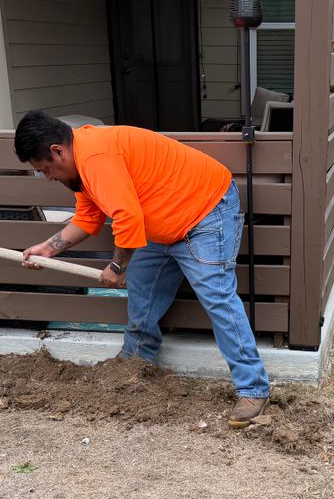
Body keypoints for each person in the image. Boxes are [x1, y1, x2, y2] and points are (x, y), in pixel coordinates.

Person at [13, 111, 270, 428]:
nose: (49, 177)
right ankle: (136, 366)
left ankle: (253, 388)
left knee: (217, 297)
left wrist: (117, 265)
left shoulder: (95, 156)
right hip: (160, 222)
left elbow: (127, 217)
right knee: (142, 292)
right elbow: (87, 219)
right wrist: (47, 248)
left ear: (57, 150)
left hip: (205, 211)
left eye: (46, 169)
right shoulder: (80, 168)